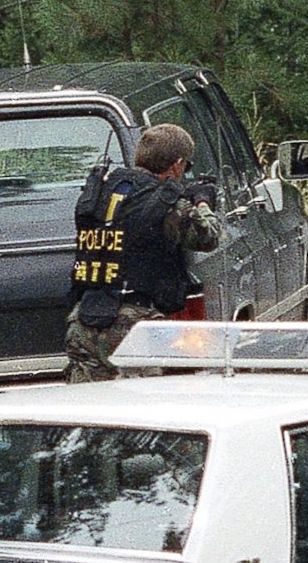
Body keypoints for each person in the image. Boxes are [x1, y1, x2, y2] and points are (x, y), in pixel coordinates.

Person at [63, 123, 223, 382]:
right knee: (140, 406)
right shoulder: (164, 203)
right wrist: (203, 201)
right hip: (132, 326)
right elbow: (208, 236)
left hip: (83, 321)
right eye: (186, 167)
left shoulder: (102, 193)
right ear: (176, 165)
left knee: (89, 410)